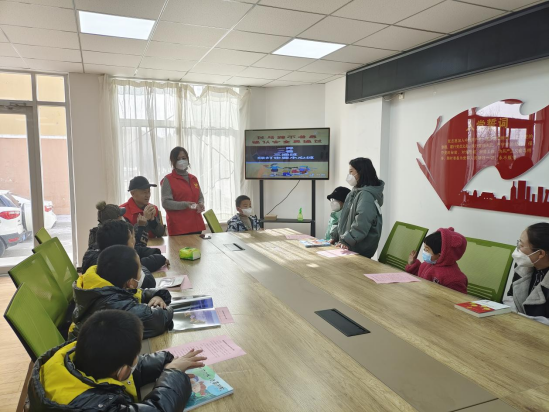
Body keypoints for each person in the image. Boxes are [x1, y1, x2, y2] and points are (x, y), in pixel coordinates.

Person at [29, 309, 207, 411]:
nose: (138, 358)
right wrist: (173, 374)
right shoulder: (96, 407)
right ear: (122, 372)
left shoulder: (74, 356)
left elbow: (130, 368)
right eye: (136, 355)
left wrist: (165, 360)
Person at [71, 245, 174, 339]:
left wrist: (157, 295)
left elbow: (138, 293)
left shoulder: (99, 285)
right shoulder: (114, 306)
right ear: (131, 283)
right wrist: (163, 306)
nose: (142, 271)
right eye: (140, 269)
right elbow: (159, 319)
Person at [82, 220, 167, 288]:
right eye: (131, 238)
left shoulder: (99, 251)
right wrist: (137, 263)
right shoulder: (113, 266)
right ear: (121, 247)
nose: (134, 241)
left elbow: (139, 250)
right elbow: (149, 282)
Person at [330, 158, 384, 258]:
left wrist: (346, 241)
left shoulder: (366, 196)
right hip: (348, 246)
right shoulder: (354, 193)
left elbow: (361, 223)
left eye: (351, 172)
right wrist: (335, 236)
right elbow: (343, 219)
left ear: (361, 172)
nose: (349, 175)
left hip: (357, 249)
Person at [503, 223, 549, 325]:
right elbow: (511, 296)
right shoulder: (523, 265)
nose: (518, 249)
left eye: (522, 245)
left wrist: (523, 321)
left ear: (540, 253)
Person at [406, 228, 468, 293]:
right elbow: (419, 278)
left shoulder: (454, 280)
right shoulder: (426, 264)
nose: (424, 252)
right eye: (424, 249)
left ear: (440, 255)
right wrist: (412, 264)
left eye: (427, 250)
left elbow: (458, 297)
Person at [161, 147, 206, 236]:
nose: (181, 161)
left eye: (184, 158)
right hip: (179, 227)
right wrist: (185, 204)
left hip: (196, 224)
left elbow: (200, 196)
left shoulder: (193, 178)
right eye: (178, 159)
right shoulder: (168, 179)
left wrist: (201, 203)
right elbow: (166, 203)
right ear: (173, 161)